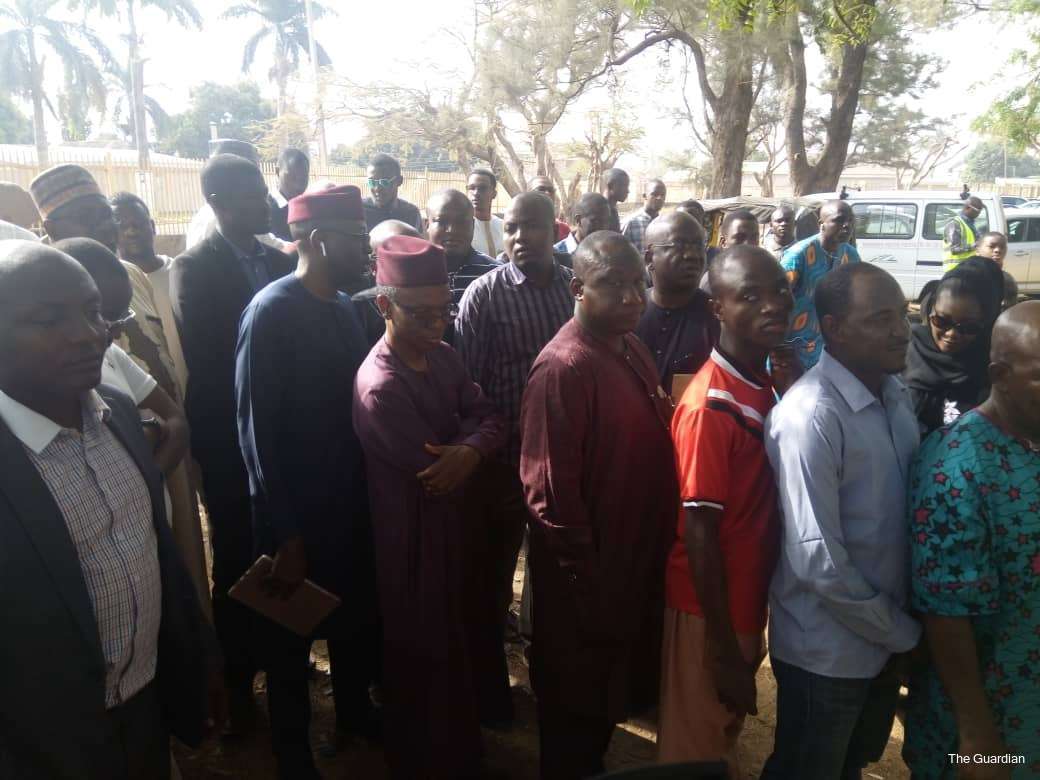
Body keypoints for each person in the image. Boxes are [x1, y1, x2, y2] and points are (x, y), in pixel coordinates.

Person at [0, 241, 220, 780]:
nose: (87, 334)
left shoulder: (120, 415)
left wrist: (194, 661)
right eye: (48, 320)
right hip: (40, 743)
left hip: (145, 712)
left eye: (93, 311)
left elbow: (152, 554)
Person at [520, 231, 677, 779]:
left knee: (607, 702)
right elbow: (549, 497)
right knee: (574, 713)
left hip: (631, 567)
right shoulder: (563, 368)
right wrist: (590, 585)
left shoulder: (631, 347)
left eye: (638, 282)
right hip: (586, 586)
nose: (633, 297)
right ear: (577, 288)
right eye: (613, 284)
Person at [236, 186, 379, 777]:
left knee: (352, 623)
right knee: (288, 643)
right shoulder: (270, 311)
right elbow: (255, 434)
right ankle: (292, 754)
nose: (367, 252)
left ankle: (354, 717)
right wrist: (286, 534)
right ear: (318, 240)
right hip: (293, 516)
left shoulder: (347, 308)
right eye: (358, 239)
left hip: (347, 506)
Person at [353, 235, 506, 779]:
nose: (437, 324)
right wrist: (472, 446)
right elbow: (434, 474)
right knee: (423, 653)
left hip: (457, 529)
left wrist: (468, 448)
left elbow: (490, 417)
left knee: (460, 640)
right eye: (421, 314)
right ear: (384, 305)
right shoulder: (380, 387)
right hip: (413, 540)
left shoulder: (444, 356)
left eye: (445, 311)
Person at [761, 263, 921, 780]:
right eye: (880, 318)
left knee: (852, 764)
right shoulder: (811, 416)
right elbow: (818, 560)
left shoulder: (895, 397)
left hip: (883, 640)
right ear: (833, 327)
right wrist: (900, 633)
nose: (901, 331)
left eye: (901, 315)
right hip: (827, 653)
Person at [171, 153, 296, 734]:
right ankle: (240, 682)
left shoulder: (279, 260)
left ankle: (284, 658)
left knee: (284, 548)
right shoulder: (193, 269)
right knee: (238, 557)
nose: (265, 202)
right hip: (227, 443)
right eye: (251, 194)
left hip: (283, 438)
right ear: (218, 202)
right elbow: (213, 359)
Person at [658, 245, 793, 776]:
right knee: (695, 755)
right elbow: (699, 530)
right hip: (707, 609)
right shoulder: (710, 405)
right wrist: (720, 649)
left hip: (742, 599)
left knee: (720, 734)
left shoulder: (760, 383)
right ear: (718, 308)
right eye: (750, 296)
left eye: (779, 290)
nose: (772, 305)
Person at [903, 301, 1040, 780]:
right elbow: (945, 610)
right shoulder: (957, 466)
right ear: (1000, 375)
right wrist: (976, 734)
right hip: (990, 718)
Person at [455, 191, 575, 724]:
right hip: (502, 468)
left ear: (555, 230)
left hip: (563, 467)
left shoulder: (574, 287)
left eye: (532, 227)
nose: (521, 238)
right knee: (492, 582)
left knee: (556, 583)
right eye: (512, 228)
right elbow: (467, 388)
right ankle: (488, 693)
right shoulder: (484, 295)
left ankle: (552, 683)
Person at [55, 237, 210, 617]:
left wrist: (144, 477)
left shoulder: (112, 355)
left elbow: (175, 421)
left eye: (119, 320)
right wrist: (145, 437)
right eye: (101, 317)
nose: (109, 334)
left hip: (148, 553)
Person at [903, 261, 1002, 435]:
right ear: (931, 310)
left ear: (986, 324)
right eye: (941, 321)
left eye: (968, 327)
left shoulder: (993, 370)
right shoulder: (903, 350)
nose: (951, 334)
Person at [111, 191, 189, 394]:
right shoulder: (113, 288)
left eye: (138, 224)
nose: (131, 232)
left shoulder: (181, 272)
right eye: (121, 226)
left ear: (153, 227)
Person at [634, 211, 718, 396]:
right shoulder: (629, 312)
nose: (693, 255)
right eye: (679, 245)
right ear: (649, 258)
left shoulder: (718, 318)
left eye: (698, 245)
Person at [780, 199, 860, 370]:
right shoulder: (798, 255)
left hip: (829, 345)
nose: (847, 226)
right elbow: (777, 300)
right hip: (792, 346)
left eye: (850, 220)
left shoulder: (851, 255)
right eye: (839, 220)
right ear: (821, 223)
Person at [184, 139, 293, 254]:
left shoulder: (239, 223)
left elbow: (278, 247)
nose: (266, 207)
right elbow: (280, 250)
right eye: (251, 197)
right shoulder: (213, 222)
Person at [427, 189, 501, 337]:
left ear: (473, 225)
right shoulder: (410, 275)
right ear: (426, 225)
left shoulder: (495, 275)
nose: (452, 230)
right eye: (441, 221)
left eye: (461, 222)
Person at [352, 219, 423, 348]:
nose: (415, 266)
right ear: (373, 266)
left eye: (420, 256)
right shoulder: (356, 309)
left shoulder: (433, 297)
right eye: (401, 259)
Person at [30, 163, 119, 251]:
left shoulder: (123, 261)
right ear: (51, 230)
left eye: (107, 214)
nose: (105, 227)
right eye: (86, 217)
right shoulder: (39, 260)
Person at [363, 153, 423, 233]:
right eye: (372, 182)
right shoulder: (360, 210)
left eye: (384, 182)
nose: (377, 188)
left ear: (399, 181)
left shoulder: (410, 213)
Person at [554, 192, 612, 262]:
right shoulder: (556, 256)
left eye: (606, 221)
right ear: (578, 220)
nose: (603, 227)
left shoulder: (609, 254)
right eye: (596, 221)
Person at [269, 147, 310, 242]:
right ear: (277, 172)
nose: (298, 185)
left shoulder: (309, 208)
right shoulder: (265, 209)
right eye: (292, 177)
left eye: (303, 178)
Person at [622, 178, 667, 253]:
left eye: (663, 195)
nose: (660, 198)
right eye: (655, 194)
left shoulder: (665, 223)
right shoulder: (630, 223)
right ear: (645, 196)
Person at [467, 168, 504, 257]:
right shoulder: (462, 227)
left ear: (494, 193)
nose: (476, 193)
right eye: (472, 188)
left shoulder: (503, 227)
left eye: (482, 188)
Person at [943, 195, 984, 271]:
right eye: (977, 211)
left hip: (968, 268)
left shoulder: (971, 225)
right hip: (955, 270)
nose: (978, 214)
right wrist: (975, 245)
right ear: (968, 207)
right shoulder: (955, 224)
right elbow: (954, 250)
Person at [529, 174, 571, 241]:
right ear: (528, 193)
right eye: (541, 189)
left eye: (551, 190)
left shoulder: (563, 229)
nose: (547, 193)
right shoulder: (518, 226)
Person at [601, 167, 630, 232]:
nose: (628, 191)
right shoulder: (599, 211)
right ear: (611, 186)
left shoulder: (612, 210)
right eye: (624, 186)